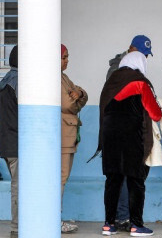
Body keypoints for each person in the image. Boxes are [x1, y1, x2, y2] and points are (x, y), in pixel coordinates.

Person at [99, 51, 162, 237]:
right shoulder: (140, 83)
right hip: (133, 139)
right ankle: (136, 225)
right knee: (136, 181)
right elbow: (155, 114)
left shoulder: (109, 83)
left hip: (110, 139)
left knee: (112, 181)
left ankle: (109, 225)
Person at [104, 34, 153, 231]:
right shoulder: (127, 74)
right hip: (128, 134)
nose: (145, 58)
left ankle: (112, 222)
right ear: (132, 49)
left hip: (113, 133)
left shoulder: (119, 73)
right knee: (131, 178)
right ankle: (129, 221)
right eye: (142, 54)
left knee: (116, 178)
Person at [60, 44, 88, 234]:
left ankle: (55, 216)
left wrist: (80, 93)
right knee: (60, 178)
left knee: (63, 177)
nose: (67, 60)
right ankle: (53, 218)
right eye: (64, 57)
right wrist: (77, 96)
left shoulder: (64, 77)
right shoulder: (54, 79)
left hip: (68, 135)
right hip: (62, 135)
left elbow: (81, 95)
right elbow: (69, 105)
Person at [0, 45, 18, 238]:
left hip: (7, 141)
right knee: (19, 187)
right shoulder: (19, 82)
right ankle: (17, 228)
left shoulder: (6, 80)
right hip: (17, 142)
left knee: (17, 184)